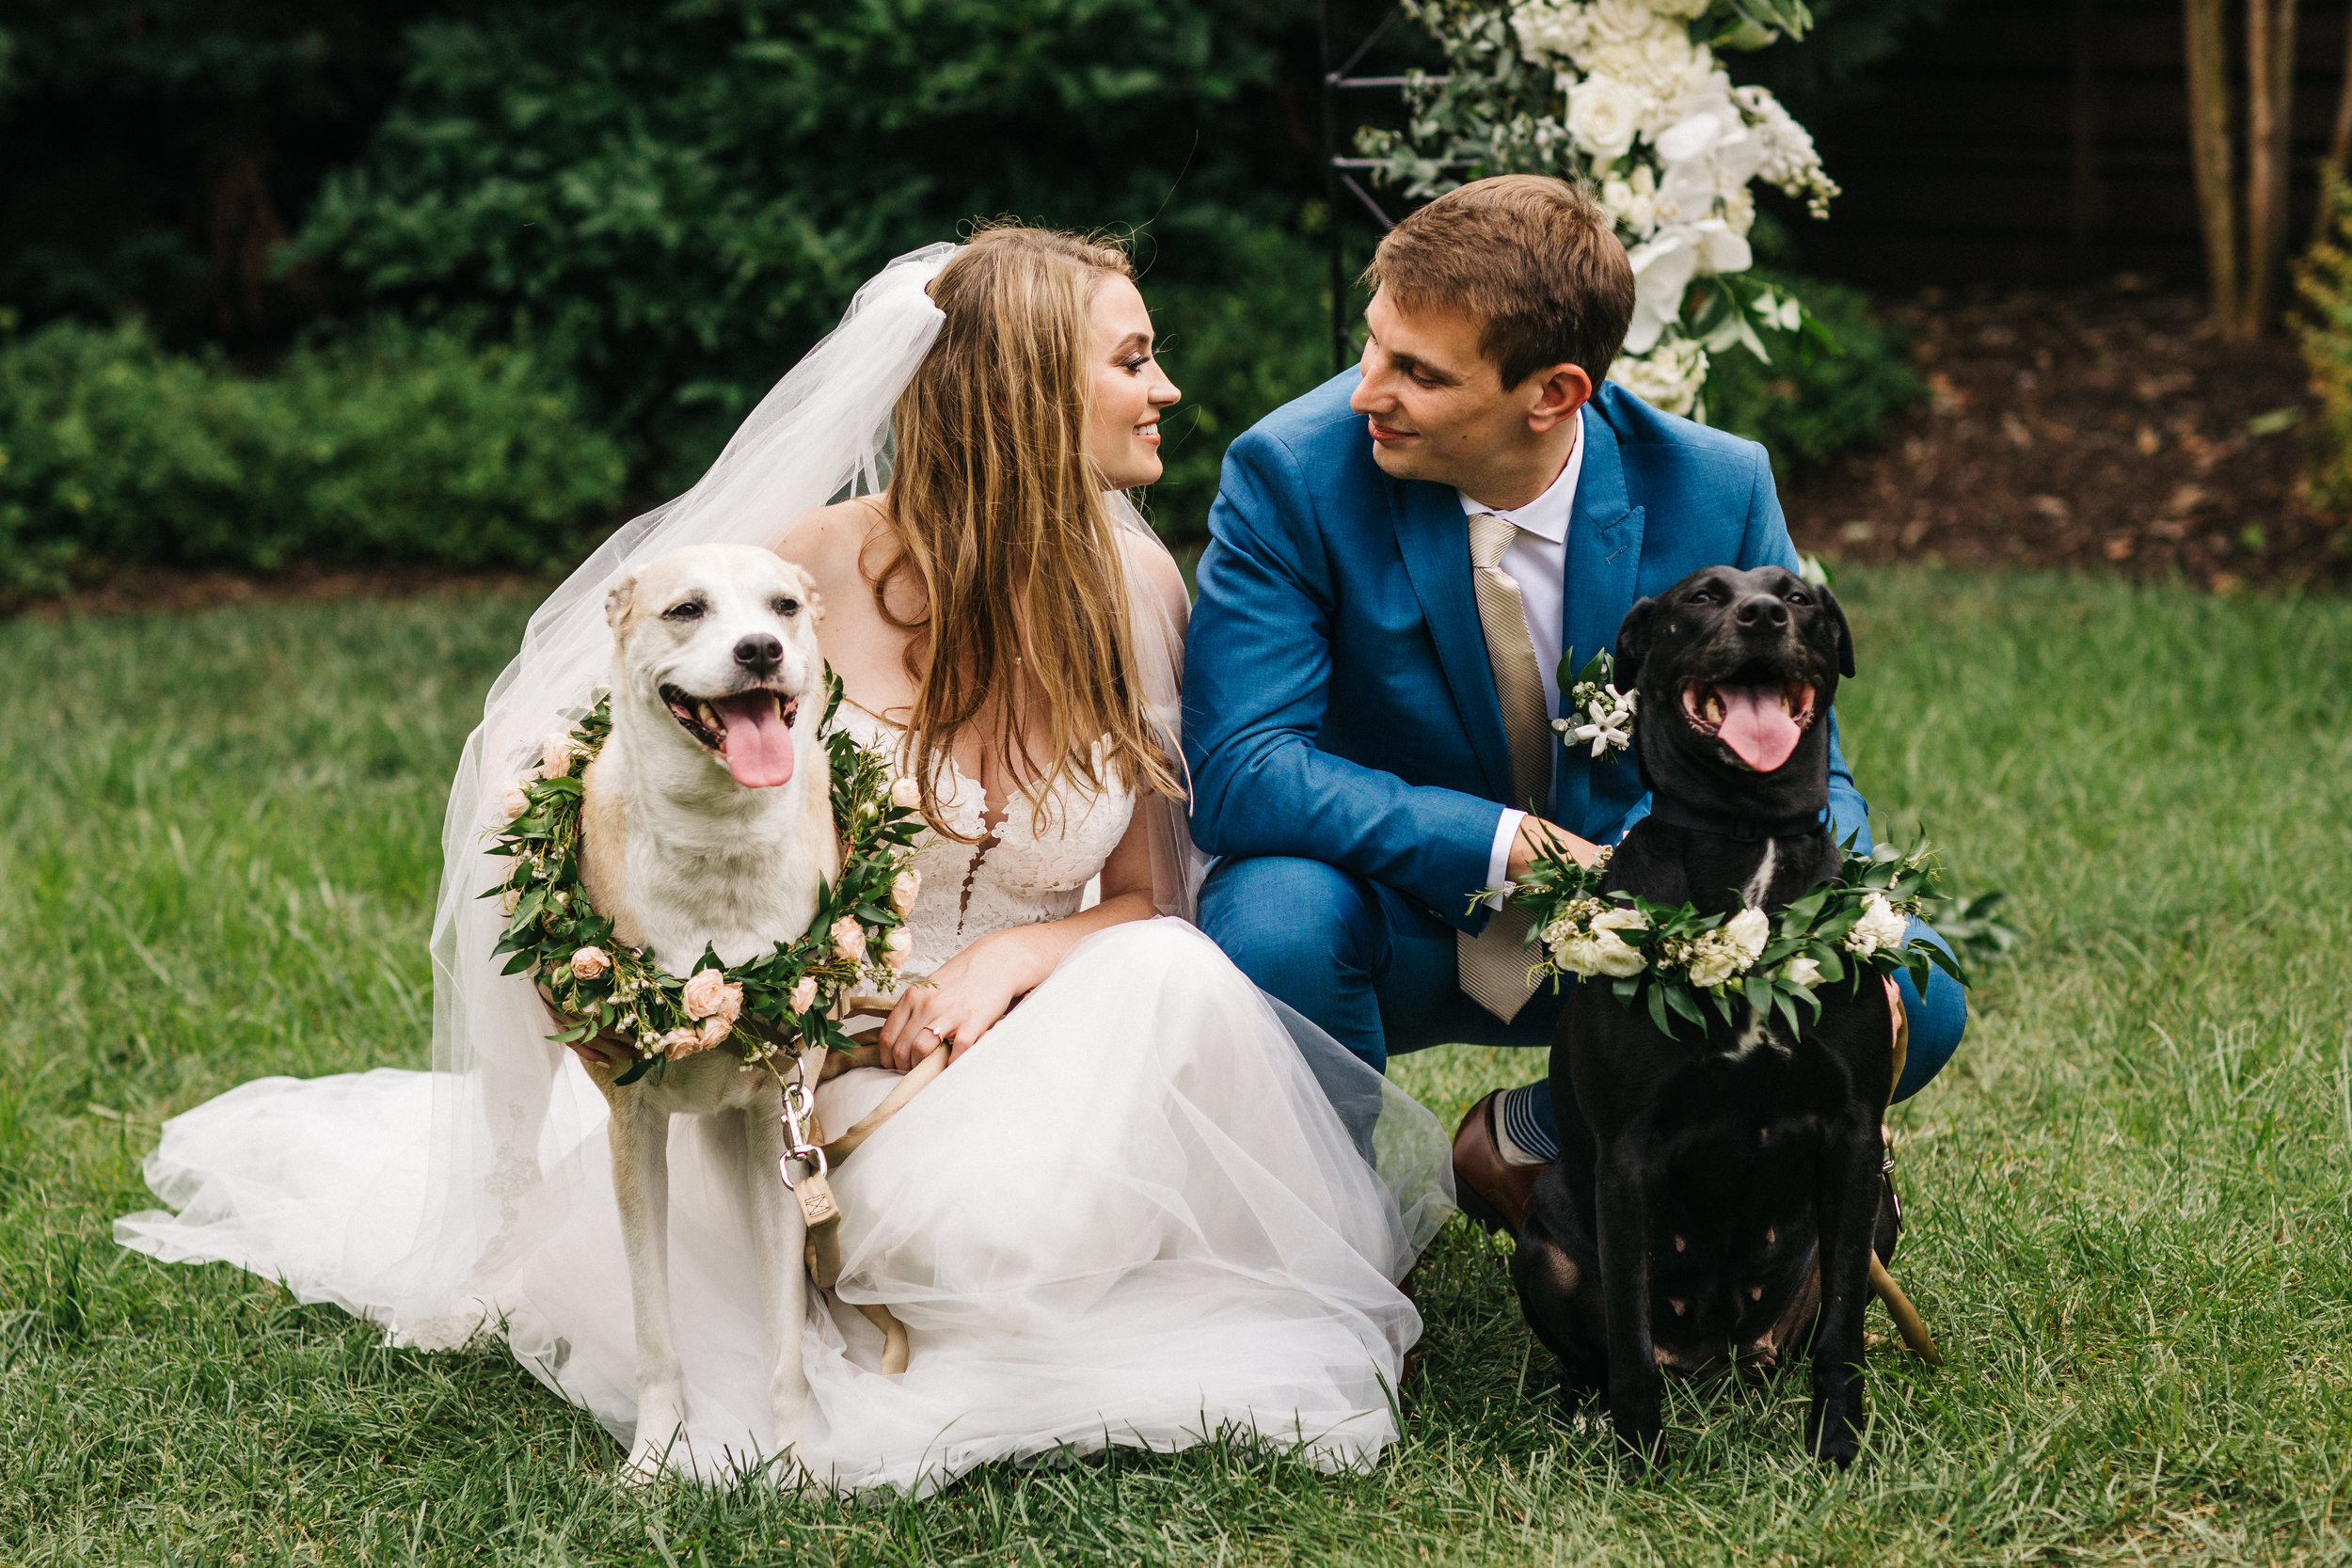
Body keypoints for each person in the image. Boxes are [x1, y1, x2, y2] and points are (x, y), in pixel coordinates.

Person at [117, 228, 1452, 1495]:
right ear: (1027, 391)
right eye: (1131, 357)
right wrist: (741, 1007)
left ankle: (1028, 1257)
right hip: (807, 1081)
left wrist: (1005, 960)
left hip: (1048, 1051)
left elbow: (1152, 898)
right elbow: (585, 776)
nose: (1166, 386)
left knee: (1167, 972)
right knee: (978, 1229)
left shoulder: (1141, 590)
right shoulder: (791, 579)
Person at [1182, 175, 1966, 1235]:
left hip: (1652, 930)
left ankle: (1544, 1132)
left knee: (1914, 984)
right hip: (1395, 917)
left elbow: (1804, 760)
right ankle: (1330, 1237)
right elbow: (1241, 768)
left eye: (1416, 371)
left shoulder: (1715, 487)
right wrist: (1505, 844)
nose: (1367, 388)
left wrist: (1832, 921)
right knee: (1271, 919)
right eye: (1372, 344)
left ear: (1552, 394)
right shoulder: (1291, 473)